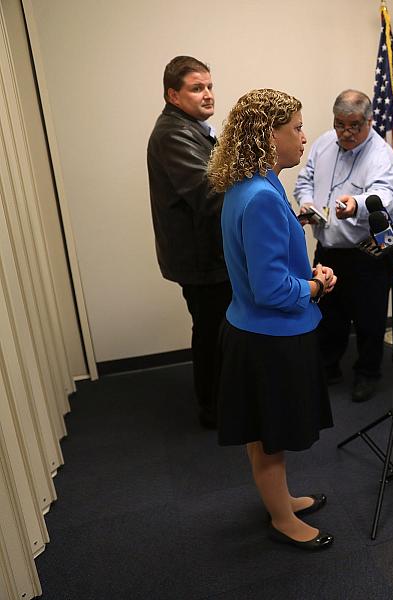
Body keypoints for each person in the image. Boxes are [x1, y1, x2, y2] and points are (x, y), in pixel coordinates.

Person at [208, 89, 337, 550]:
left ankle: (280, 502)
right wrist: (317, 285)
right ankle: (283, 519)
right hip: (269, 338)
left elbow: (274, 269)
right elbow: (271, 290)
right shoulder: (261, 194)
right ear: (268, 135)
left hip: (254, 331)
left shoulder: (253, 184)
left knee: (265, 433)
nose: (305, 137)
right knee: (270, 437)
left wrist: (306, 273)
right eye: (297, 128)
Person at [293, 90, 393, 403]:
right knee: (328, 313)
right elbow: (306, 179)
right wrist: (308, 203)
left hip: (365, 253)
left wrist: (356, 204)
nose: (346, 133)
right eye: (340, 124)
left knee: (369, 319)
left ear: (369, 121)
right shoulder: (325, 142)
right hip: (328, 248)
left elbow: (385, 196)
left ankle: (368, 373)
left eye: (354, 126)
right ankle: (328, 366)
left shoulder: (381, 154)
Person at [147, 56, 230, 429]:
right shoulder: (174, 133)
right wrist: (257, 188)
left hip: (207, 254)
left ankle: (219, 402)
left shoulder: (193, 126)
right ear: (173, 95)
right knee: (212, 333)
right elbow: (208, 193)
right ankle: (214, 409)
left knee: (216, 330)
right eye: (197, 88)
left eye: (209, 86)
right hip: (202, 260)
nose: (208, 94)